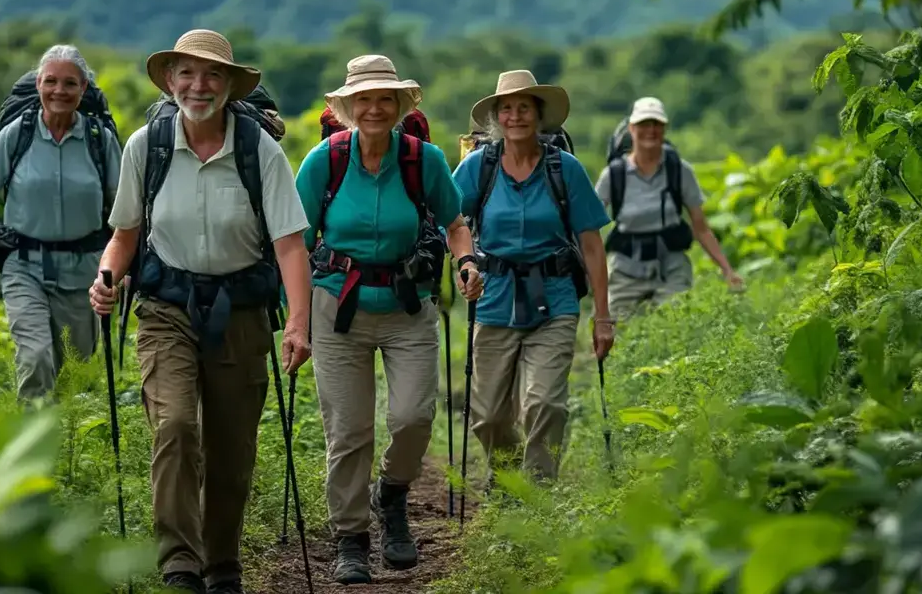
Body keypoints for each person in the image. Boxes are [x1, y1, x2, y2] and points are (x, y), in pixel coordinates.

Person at [88, 28, 312, 594]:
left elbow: (289, 245)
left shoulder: (259, 149)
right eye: (186, 73)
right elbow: (124, 235)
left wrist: (299, 325)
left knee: (231, 447)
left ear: (231, 87)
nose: (198, 85)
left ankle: (222, 562)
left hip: (241, 310)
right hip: (168, 309)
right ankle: (180, 562)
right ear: (169, 81)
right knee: (176, 425)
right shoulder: (148, 145)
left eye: (212, 75)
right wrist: (106, 277)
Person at [294, 54, 482, 586]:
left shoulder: (425, 160)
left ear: (399, 107)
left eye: (384, 99)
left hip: (407, 307)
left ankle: (392, 495)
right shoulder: (323, 161)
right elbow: (297, 243)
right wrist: (296, 319)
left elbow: (455, 223)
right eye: (364, 100)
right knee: (349, 432)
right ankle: (351, 539)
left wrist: (466, 262)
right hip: (338, 308)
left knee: (413, 418)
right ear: (348, 108)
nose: (374, 108)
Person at [453, 70, 614, 484]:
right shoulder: (478, 168)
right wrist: (466, 263)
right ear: (496, 118)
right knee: (487, 416)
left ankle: (537, 496)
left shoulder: (565, 169)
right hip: (494, 298)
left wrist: (602, 316)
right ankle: (505, 479)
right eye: (507, 108)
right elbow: (451, 221)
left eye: (524, 107)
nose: (516, 116)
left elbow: (592, 244)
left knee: (545, 404)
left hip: (555, 297)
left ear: (539, 115)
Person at [0, 44, 121, 402]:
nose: (59, 91)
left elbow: (123, 214)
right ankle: (34, 452)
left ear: (84, 90)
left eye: (70, 84)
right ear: (38, 86)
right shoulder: (17, 134)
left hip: (83, 272)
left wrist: (123, 270)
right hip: (23, 267)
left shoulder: (99, 141)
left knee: (73, 373)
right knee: (35, 358)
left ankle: (62, 450)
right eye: (50, 81)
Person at [595, 96, 743, 320]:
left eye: (657, 124)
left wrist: (727, 270)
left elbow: (700, 227)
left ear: (665, 129)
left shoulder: (679, 170)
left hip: (672, 267)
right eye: (644, 124)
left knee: (674, 325)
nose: (651, 131)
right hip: (626, 267)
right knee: (616, 331)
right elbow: (589, 225)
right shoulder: (614, 175)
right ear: (632, 129)